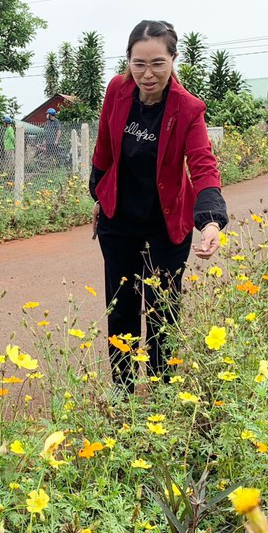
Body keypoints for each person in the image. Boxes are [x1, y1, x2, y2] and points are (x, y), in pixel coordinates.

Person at [90, 20, 228, 396]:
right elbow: (103, 148)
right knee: (121, 306)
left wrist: (211, 221)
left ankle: (163, 390)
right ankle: (120, 390)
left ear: (173, 59)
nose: (147, 74)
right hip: (119, 222)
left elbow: (202, 164)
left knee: (162, 308)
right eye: (139, 63)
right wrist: (98, 196)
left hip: (166, 226)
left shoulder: (187, 108)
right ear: (128, 61)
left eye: (157, 63)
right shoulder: (117, 91)